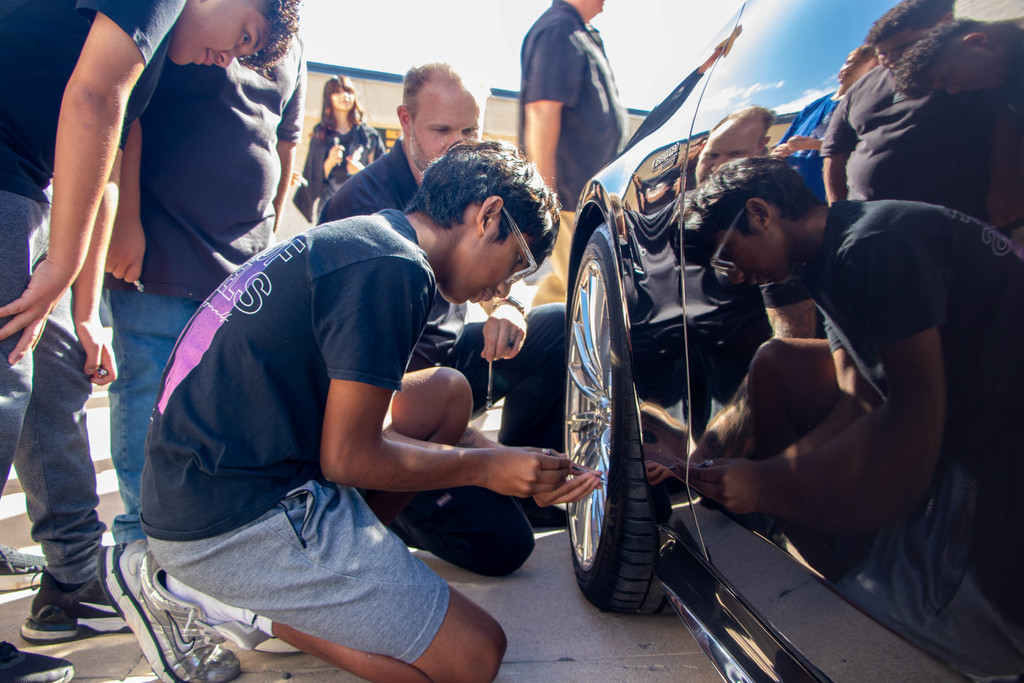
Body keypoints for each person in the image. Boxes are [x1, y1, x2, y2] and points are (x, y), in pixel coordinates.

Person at [101, 139, 601, 683]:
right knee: (473, 658)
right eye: (518, 263)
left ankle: (332, 586)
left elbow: (371, 423)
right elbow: (348, 457)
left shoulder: (379, 237)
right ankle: (230, 602)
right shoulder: (397, 269)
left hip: (204, 486)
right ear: (488, 215)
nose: (505, 288)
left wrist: (507, 460)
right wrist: (486, 470)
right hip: (228, 519)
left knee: (449, 392)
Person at [0, 0, 298, 676]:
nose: (232, 59)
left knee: (38, 374)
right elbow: (93, 96)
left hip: (28, 178)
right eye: (242, 38)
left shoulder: (156, 61)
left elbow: (99, 163)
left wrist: (78, 305)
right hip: (6, 161)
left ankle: (75, 578)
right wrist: (64, 263)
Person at [685, 156, 1024, 678]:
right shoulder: (826, 260)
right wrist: (762, 475)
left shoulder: (872, 246)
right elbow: (856, 399)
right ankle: (838, 555)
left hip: (995, 447)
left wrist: (770, 485)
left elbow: (915, 414)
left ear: (759, 213)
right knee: (775, 361)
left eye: (729, 258)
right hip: (962, 425)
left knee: (911, 632)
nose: (736, 277)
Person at [323, 62, 568, 575]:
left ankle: (526, 472)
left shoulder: (470, 193)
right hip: (384, 395)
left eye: (471, 131)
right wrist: (480, 457)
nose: (459, 147)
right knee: (504, 545)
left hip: (447, 367)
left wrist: (509, 303)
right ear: (405, 121)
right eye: (441, 131)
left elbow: (488, 267)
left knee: (556, 324)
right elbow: (362, 417)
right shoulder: (367, 221)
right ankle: (389, 515)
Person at [103, 37, 307, 544]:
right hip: (162, 251)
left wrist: (272, 234)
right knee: (148, 396)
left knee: (224, 412)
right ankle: (138, 539)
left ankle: (201, 538)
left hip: (243, 268)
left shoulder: (292, 43)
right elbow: (128, 113)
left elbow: (285, 140)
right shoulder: (186, 16)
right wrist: (125, 219)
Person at [820, 0, 996, 221]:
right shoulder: (861, 88)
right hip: (871, 227)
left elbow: (1008, 122)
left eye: (902, 48)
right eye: (883, 53)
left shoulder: (974, 68)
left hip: (962, 227)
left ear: (945, 24)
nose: (892, 61)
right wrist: (840, 214)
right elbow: (835, 152)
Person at [520, 0, 629, 305]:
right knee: (581, 295)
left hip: (582, 200)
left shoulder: (579, 31)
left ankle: (538, 350)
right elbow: (542, 112)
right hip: (569, 200)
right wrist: (545, 200)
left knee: (564, 293)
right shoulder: (559, 29)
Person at [770, 45, 878, 201]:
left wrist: (816, 144)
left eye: (859, 62)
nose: (848, 67)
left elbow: (864, 147)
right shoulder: (814, 106)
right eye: (847, 61)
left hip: (826, 201)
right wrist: (776, 154)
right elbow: (780, 146)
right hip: (787, 196)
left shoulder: (867, 102)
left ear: (875, 67)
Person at [293, 75, 385, 223]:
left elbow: (384, 178)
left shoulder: (368, 135)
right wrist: (327, 165)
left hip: (362, 211)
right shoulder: (320, 135)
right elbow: (310, 182)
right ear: (329, 97)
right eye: (338, 91)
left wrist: (362, 172)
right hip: (329, 210)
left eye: (348, 91)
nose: (345, 96)